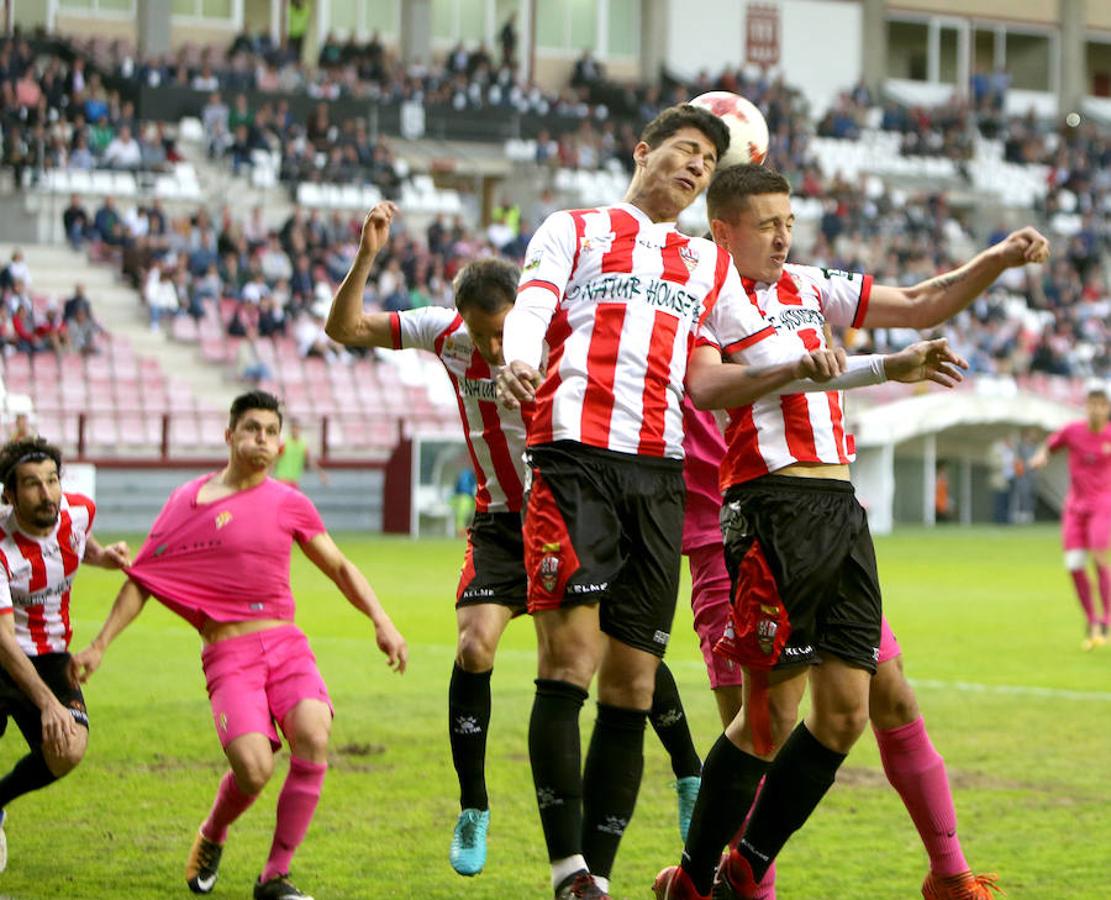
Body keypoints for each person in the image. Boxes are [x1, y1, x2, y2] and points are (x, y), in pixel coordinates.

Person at [493, 107, 953, 899]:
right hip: (580, 457)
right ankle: (575, 869)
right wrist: (517, 358)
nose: (694, 165)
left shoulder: (704, 268)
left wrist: (887, 366)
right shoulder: (572, 228)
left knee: (636, 687)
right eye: (684, 151)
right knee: (575, 663)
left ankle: (628, 878)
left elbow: (787, 355)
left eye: (707, 159)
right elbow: (535, 307)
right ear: (642, 151)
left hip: (662, 476)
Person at [655, 163, 1046, 900]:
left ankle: (741, 867)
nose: (782, 237)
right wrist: (805, 369)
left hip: (839, 513)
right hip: (769, 511)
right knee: (768, 721)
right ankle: (697, 879)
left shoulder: (808, 284)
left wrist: (993, 259)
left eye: (788, 223)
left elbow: (923, 301)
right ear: (722, 230)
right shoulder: (707, 295)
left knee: (843, 716)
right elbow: (705, 388)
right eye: (767, 225)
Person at [325, 203, 706, 880]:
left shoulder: (562, 331)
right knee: (474, 646)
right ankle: (474, 806)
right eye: (481, 336)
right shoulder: (445, 335)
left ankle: (688, 774)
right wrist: (367, 257)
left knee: (622, 650)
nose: (494, 350)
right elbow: (345, 326)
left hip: (571, 506)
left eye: (500, 333)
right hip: (502, 520)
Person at [69, 391, 408, 900]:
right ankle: (213, 833)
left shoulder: (290, 502)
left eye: (272, 431)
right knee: (253, 770)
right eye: (252, 429)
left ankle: (275, 876)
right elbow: (144, 578)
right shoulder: (187, 500)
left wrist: (381, 620)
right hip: (228, 655)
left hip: (285, 644)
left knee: (314, 734)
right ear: (229, 435)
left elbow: (339, 566)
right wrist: (98, 647)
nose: (263, 440)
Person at [0, 437, 131, 872]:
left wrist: (103, 557)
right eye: (33, 485)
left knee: (68, 749)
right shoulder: (1, 549)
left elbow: (78, 543)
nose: (47, 493)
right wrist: (47, 704)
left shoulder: (79, 510)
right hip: (4, 653)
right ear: (9, 495)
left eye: (52, 480)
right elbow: (3, 641)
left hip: (52, 653)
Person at [1031, 379, 1111, 651]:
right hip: (1075, 507)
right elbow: (1049, 445)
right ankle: (1092, 619)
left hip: (1103, 505)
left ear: (1107, 408)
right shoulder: (1073, 431)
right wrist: (1042, 455)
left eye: (1101, 404)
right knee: (1074, 564)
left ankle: (1107, 618)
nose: (1095, 409)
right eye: (1091, 404)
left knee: (1100, 556)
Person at [272, 419, 328, 489]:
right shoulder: (284, 444)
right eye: (293, 428)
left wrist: (321, 473)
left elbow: (310, 461)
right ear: (290, 429)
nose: (295, 430)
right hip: (281, 479)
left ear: (299, 429)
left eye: (297, 428)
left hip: (294, 481)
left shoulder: (302, 445)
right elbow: (274, 460)